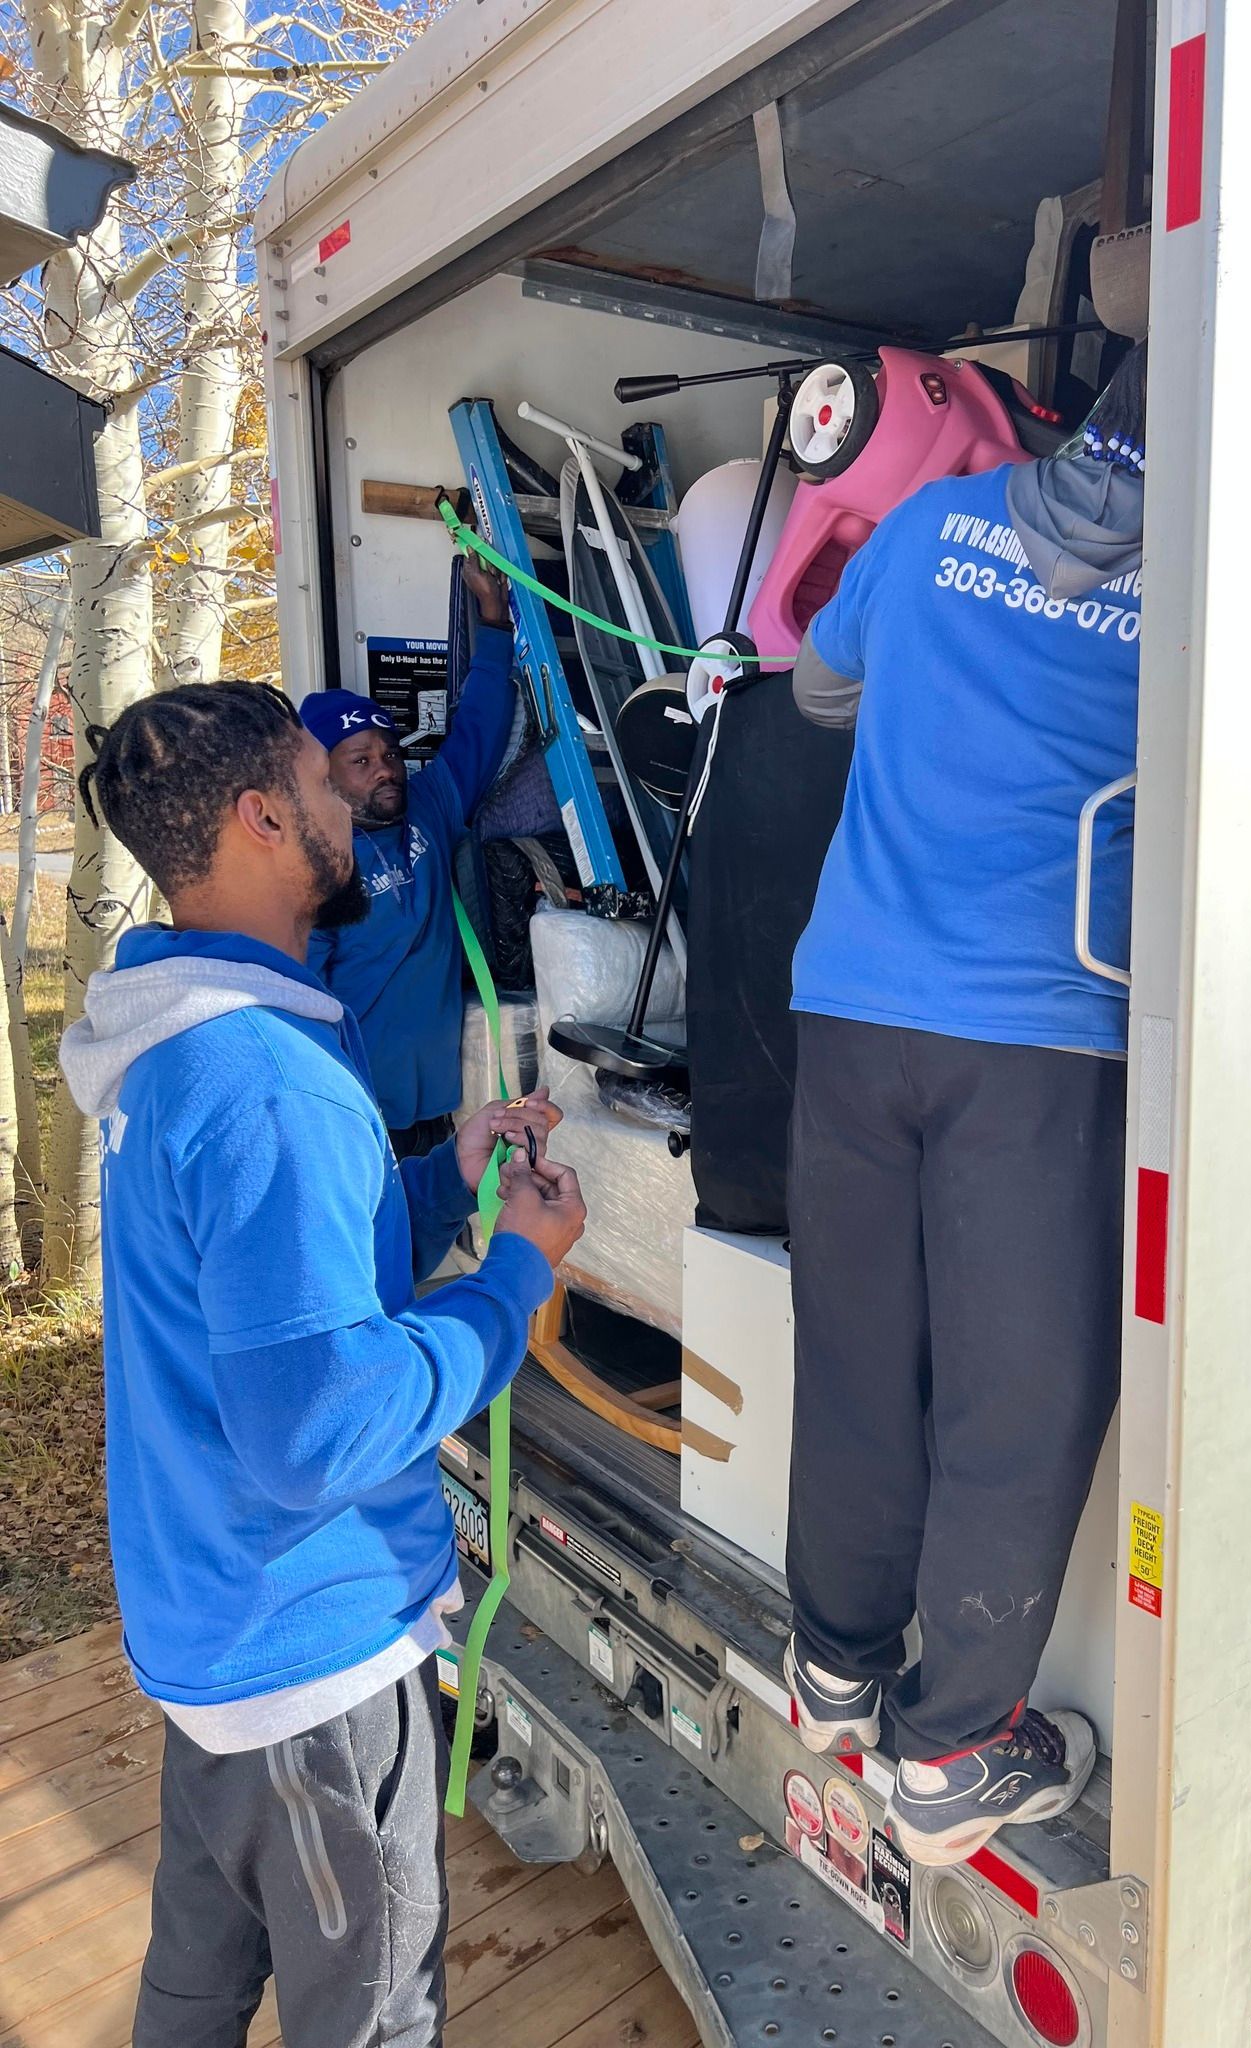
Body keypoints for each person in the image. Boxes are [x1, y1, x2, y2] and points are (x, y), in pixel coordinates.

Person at [58, 679, 586, 2048]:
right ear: (259, 818)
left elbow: (264, 1272)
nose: (350, 801)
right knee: (371, 2017)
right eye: (321, 780)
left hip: (215, 1623)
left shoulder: (185, 1043)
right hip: (313, 1655)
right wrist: (514, 1277)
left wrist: (438, 1180)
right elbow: (319, 1429)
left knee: (195, 1991)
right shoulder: (266, 1080)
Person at [781, 344, 1147, 1868]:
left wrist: (937, 697)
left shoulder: (935, 524)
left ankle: (836, 1666)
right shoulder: (1199, 597)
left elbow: (816, 686)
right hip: (1039, 1034)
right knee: (1017, 1398)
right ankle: (950, 1757)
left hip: (856, 1005)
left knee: (860, 1353)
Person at [303, 558, 518, 1157]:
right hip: (358, 1113)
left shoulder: (429, 805)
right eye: (361, 761)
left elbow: (479, 727)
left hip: (437, 1108)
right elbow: (301, 999)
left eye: (391, 753)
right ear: (323, 774)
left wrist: (493, 619)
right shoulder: (314, 865)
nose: (386, 770)